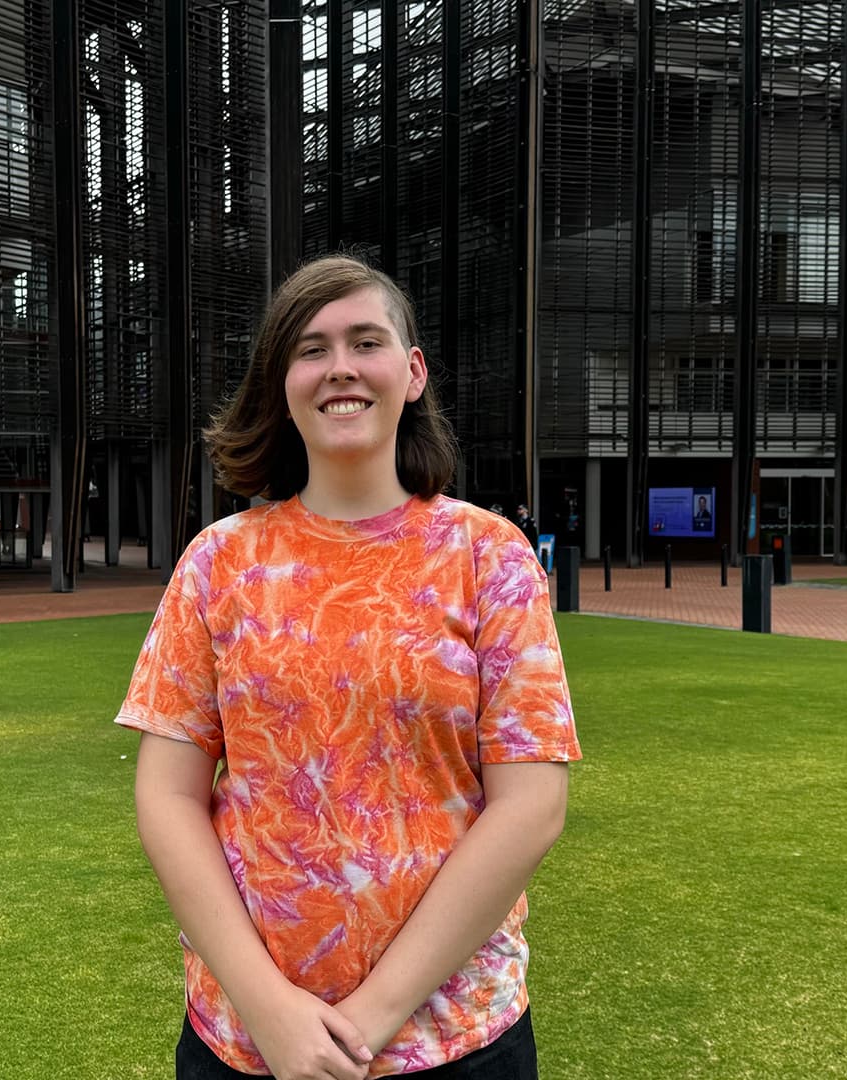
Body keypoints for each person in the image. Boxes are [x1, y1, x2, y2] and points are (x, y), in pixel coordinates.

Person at [117, 254, 580, 1080]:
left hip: (456, 1038)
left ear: (411, 373)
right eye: (311, 348)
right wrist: (266, 1006)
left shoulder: (488, 556)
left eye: (365, 342)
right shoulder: (219, 563)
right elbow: (165, 795)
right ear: (282, 383)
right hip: (247, 1042)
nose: (340, 368)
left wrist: (364, 1021)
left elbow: (532, 805)